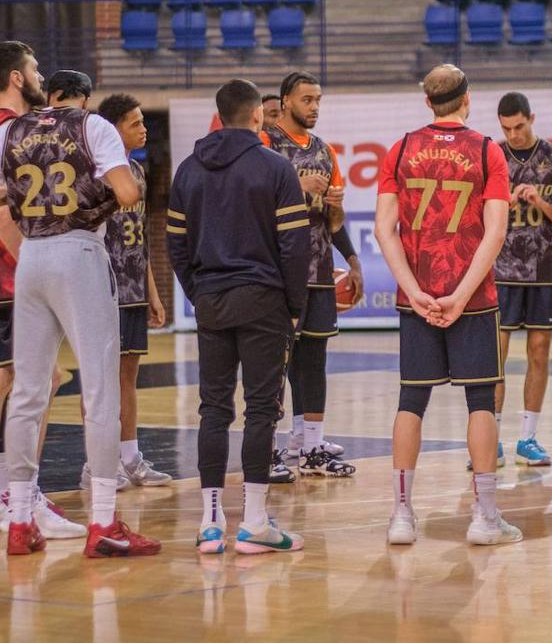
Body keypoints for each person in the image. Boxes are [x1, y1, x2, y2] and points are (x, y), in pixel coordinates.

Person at [0, 62, 161, 559]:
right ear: (84, 99)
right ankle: (104, 521)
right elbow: (129, 192)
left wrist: (20, 193)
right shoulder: (93, 127)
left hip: (32, 259)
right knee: (100, 387)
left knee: (26, 392)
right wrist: (89, 194)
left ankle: (20, 519)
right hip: (79, 252)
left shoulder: (13, 130)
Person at [375, 64, 521, 546]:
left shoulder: (400, 150)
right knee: (481, 401)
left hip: (416, 296)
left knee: (410, 401)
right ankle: (484, 517)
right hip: (472, 298)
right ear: (468, 99)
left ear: (427, 103)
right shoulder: (486, 151)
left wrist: (414, 291)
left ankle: (401, 515)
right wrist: (460, 295)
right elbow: (496, 231)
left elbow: (384, 229)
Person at [169, 79, 309, 554]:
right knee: (262, 409)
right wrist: (294, 305)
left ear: (218, 114)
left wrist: (198, 292)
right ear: (257, 117)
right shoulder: (276, 168)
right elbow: (295, 248)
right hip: (264, 300)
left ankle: (210, 525)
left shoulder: (187, 169)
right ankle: (253, 524)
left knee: (213, 408)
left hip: (211, 300)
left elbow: (175, 245)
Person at [264, 71, 362, 480]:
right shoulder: (266, 145)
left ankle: (311, 448)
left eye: (318, 99)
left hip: (319, 271)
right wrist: (298, 185)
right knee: (272, 362)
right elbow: (256, 205)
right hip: (278, 273)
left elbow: (333, 219)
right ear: (286, 101)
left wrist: (354, 261)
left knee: (314, 360)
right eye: (306, 99)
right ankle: (266, 448)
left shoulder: (325, 151)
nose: (314, 107)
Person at [490, 92, 552, 468]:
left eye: (519, 126)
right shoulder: (492, 156)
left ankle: (528, 437)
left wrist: (542, 204)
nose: (513, 134)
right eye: (506, 128)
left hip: (544, 271)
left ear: (532, 118)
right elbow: (478, 216)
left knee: (539, 354)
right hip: (500, 272)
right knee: (494, 358)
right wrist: (505, 202)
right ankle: (490, 438)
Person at [90, 92, 172, 491]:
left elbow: (139, 242)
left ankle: (129, 457)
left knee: (128, 375)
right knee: (103, 378)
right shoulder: (96, 172)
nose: (145, 128)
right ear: (113, 128)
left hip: (134, 287)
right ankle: (97, 465)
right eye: (136, 123)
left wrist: (153, 291)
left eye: (144, 121)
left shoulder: (135, 173)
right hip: (102, 288)